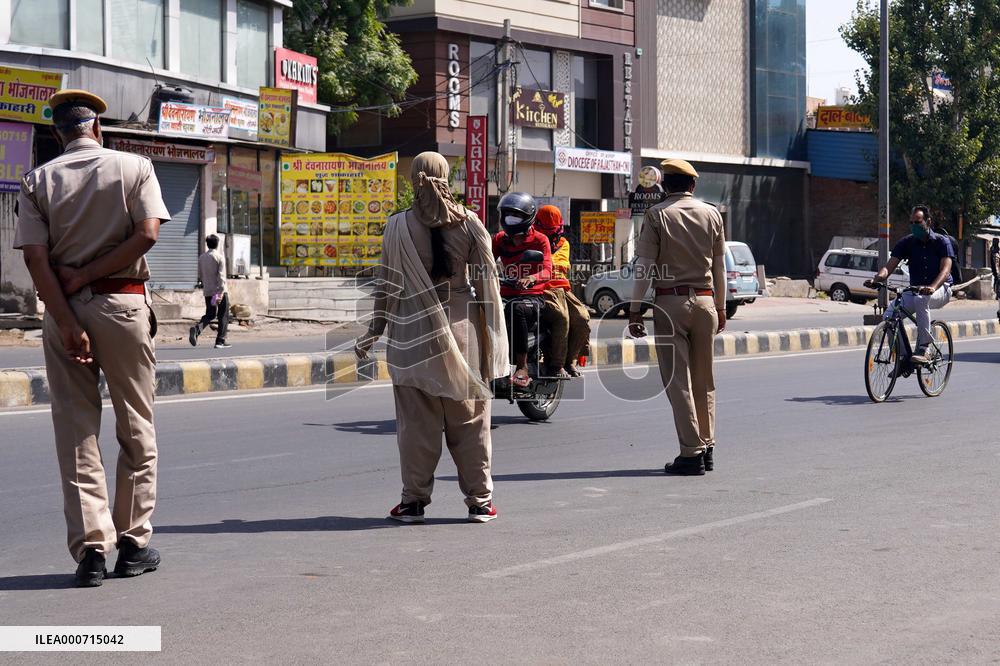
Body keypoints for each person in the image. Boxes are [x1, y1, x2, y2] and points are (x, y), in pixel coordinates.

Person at [14, 89, 170, 586]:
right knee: (136, 425)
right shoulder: (135, 167)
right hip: (123, 306)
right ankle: (133, 544)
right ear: (97, 128)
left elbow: (35, 259)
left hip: (64, 312)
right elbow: (148, 233)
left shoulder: (37, 181)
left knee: (76, 430)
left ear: (58, 134)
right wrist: (89, 275)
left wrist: (67, 321)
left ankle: (92, 553)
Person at [355, 152, 508, 524]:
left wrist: (374, 331)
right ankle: (480, 502)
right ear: (446, 178)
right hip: (463, 335)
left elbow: (386, 287)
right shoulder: (471, 224)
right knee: (471, 423)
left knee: (415, 427)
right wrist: (495, 343)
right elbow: (489, 288)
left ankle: (413, 502)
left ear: (413, 181)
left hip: (412, 335)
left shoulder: (396, 226)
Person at [628, 159, 727, 476]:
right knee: (704, 379)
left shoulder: (656, 215)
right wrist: (721, 307)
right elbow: (720, 266)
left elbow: (644, 265)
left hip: (670, 304)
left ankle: (691, 452)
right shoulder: (712, 214)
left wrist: (634, 308)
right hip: (706, 303)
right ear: (693, 185)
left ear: (664, 185)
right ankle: (707, 446)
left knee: (678, 382)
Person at [871, 205, 955, 365]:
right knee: (889, 316)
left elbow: (945, 271)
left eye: (917, 222)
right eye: (911, 223)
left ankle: (924, 348)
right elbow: (889, 266)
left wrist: (932, 287)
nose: (914, 226)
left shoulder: (941, 242)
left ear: (928, 222)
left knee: (921, 299)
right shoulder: (907, 242)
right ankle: (903, 358)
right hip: (916, 290)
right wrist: (877, 278)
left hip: (941, 288)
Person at [491, 192, 554, 385]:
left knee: (515, 308)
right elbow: (485, 260)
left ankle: (522, 367)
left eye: (516, 215)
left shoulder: (540, 240)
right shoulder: (499, 239)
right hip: (504, 293)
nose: (511, 219)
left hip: (532, 297)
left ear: (528, 216)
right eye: (508, 214)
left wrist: (531, 278)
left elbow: (548, 270)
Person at [535, 204, 591, 377]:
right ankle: (556, 365)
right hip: (542, 288)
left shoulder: (564, 244)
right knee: (562, 317)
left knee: (582, 317)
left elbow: (558, 265)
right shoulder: (533, 240)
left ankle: (570, 361)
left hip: (562, 289)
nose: (550, 235)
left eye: (552, 231)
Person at [189, 234, 231, 349]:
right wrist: (221, 292)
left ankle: (197, 329)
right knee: (223, 315)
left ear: (207, 244)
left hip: (208, 291)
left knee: (210, 314)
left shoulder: (202, 258)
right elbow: (221, 277)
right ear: (217, 244)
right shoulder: (219, 257)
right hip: (218, 291)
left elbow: (200, 275)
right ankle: (220, 341)